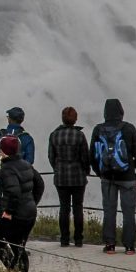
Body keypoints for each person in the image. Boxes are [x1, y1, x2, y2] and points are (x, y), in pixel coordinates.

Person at [90, 98, 136, 255]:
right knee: (128, 213)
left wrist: (99, 172)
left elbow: (93, 155)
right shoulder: (129, 128)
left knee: (109, 211)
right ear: (121, 111)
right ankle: (129, 247)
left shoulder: (98, 129)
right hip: (127, 177)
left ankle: (110, 245)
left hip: (107, 177)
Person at [0, 135, 45, 272]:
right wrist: (33, 202)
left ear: (3, 151)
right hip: (29, 213)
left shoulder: (6, 169)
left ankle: (13, 269)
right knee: (19, 247)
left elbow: (14, 192)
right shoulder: (26, 164)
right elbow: (40, 184)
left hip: (15, 215)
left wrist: (8, 211)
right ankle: (20, 271)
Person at [49, 106, 90, 248]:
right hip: (78, 176)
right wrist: (86, 170)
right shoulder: (79, 135)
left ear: (62, 118)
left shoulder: (54, 135)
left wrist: (57, 168)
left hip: (61, 177)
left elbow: (51, 156)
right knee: (78, 208)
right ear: (75, 119)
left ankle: (64, 239)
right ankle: (78, 240)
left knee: (64, 208)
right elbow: (85, 156)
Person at [0, 106, 35, 172]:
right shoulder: (27, 138)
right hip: (21, 179)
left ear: (9, 119)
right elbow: (30, 160)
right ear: (22, 120)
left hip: (2, 178)